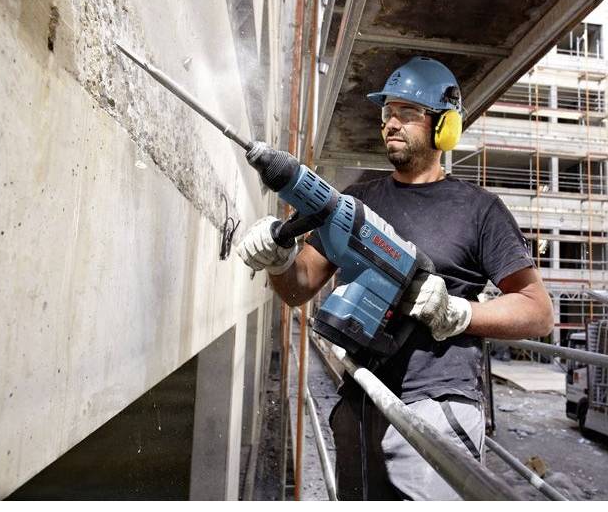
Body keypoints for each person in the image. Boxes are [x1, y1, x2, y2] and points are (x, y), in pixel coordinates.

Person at [237, 56, 554, 500]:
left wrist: (459, 313)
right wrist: (279, 260)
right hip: (362, 400)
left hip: (439, 408)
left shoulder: (480, 209)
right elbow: (300, 287)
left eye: (408, 112)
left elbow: (538, 312)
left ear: (444, 126)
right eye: (387, 112)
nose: (391, 123)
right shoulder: (357, 202)